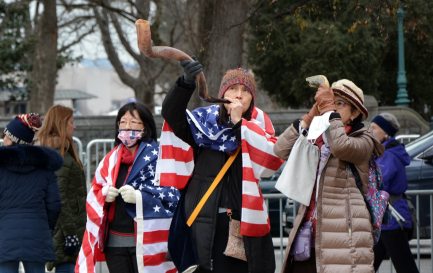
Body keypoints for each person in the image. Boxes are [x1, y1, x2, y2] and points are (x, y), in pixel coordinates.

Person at [158, 60, 283, 273]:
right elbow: (172, 114)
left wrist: (239, 125)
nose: (238, 95)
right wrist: (186, 83)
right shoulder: (202, 125)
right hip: (202, 218)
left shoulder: (260, 130)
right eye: (232, 88)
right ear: (222, 93)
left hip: (240, 222)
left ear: (252, 98)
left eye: (245, 90)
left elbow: (269, 162)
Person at [274, 79, 384, 273]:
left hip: (344, 237)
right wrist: (309, 118)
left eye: (339, 104)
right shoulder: (317, 135)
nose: (331, 107)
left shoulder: (365, 138)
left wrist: (329, 113)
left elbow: (341, 146)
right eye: (329, 101)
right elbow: (280, 149)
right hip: (308, 235)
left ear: (355, 112)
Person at [75, 102, 179, 273]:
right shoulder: (110, 159)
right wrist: (104, 195)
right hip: (114, 245)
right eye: (122, 122)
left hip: (148, 243)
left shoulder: (159, 158)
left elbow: (171, 195)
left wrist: (140, 197)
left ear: (145, 127)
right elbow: (94, 191)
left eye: (133, 122)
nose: (127, 127)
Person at [0, 113, 62, 273]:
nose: (3, 139)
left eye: (5, 135)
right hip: (37, 233)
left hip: (4, 234)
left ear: (13, 139)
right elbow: (54, 204)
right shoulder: (45, 167)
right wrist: (45, 226)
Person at [35, 105, 87, 273]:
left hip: (61, 229)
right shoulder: (59, 155)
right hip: (64, 231)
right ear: (62, 124)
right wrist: (71, 234)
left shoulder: (56, 150)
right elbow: (60, 198)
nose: (75, 126)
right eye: (72, 122)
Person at [370, 113, 419, 273]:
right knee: (367, 265)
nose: (370, 131)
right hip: (385, 218)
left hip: (392, 218)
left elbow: (378, 182)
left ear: (386, 133)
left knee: (405, 267)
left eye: (374, 128)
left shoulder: (389, 155)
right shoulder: (384, 153)